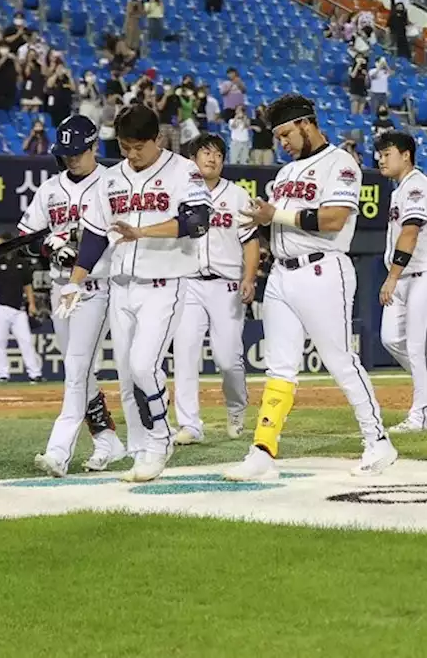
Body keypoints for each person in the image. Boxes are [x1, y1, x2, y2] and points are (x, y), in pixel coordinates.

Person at [223, 93, 396, 480]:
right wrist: (259, 222)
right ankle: (263, 450)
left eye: (286, 133)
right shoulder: (284, 174)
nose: (282, 142)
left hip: (323, 270)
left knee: (339, 360)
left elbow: (334, 218)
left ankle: (378, 441)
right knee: (279, 364)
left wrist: (276, 214)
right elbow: (281, 221)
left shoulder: (341, 164)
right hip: (282, 273)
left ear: (306, 123)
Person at [54, 104, 212, 483]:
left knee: (144, 365)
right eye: (124, 146)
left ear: (156, 139)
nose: (130, 154)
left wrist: (143, 231)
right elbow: (94, 235)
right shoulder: (111, 179)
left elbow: (197, 221)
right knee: (128, 378)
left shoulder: (182, 170)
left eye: (137, 146)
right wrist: (75, 281)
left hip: (164, 284)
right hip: (121, 288)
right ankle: (143, 450)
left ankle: (159, 442)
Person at [21, 116, 127, 474]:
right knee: (80, 372)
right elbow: (27, 239)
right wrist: (48, 246)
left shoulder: (113, 182)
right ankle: (107, 440)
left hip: (95, 289)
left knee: (77, 369)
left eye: (78, 152)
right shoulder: (49, 189)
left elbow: (115, 236)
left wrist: (76, 248)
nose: (71, 159)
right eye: (65, 153)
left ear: (94, 146)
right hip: (58, 289)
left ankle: (58, 451)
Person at [168, 134, 257, 445]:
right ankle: (190, 424)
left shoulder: (237, 196)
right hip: (189, 283)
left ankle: (236, 408)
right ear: (193, 159)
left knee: (227, 358)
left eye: (218, 153)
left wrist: (249, 277)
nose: (212, 158)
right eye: (205, 153)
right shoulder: (177, 193)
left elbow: (251, 241)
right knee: (185, 353)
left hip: (226, 284)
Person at [375, 130, 427, 433]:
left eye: (387, 153)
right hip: (407, 274)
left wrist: (391, 277)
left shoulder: (417, 187)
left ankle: (422, 416)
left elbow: (410, 232)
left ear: (406, 154)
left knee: (418, 343)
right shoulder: (400, 189)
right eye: (380, 154)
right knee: (391, 338)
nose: (380, 159)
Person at [0, 237, 42, 383]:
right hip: (0, 308)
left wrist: (32, 304)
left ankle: (35, 373)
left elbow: (28, 286)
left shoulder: (21, 263)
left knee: (26, 341)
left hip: (19, 309)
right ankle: (2, 374)